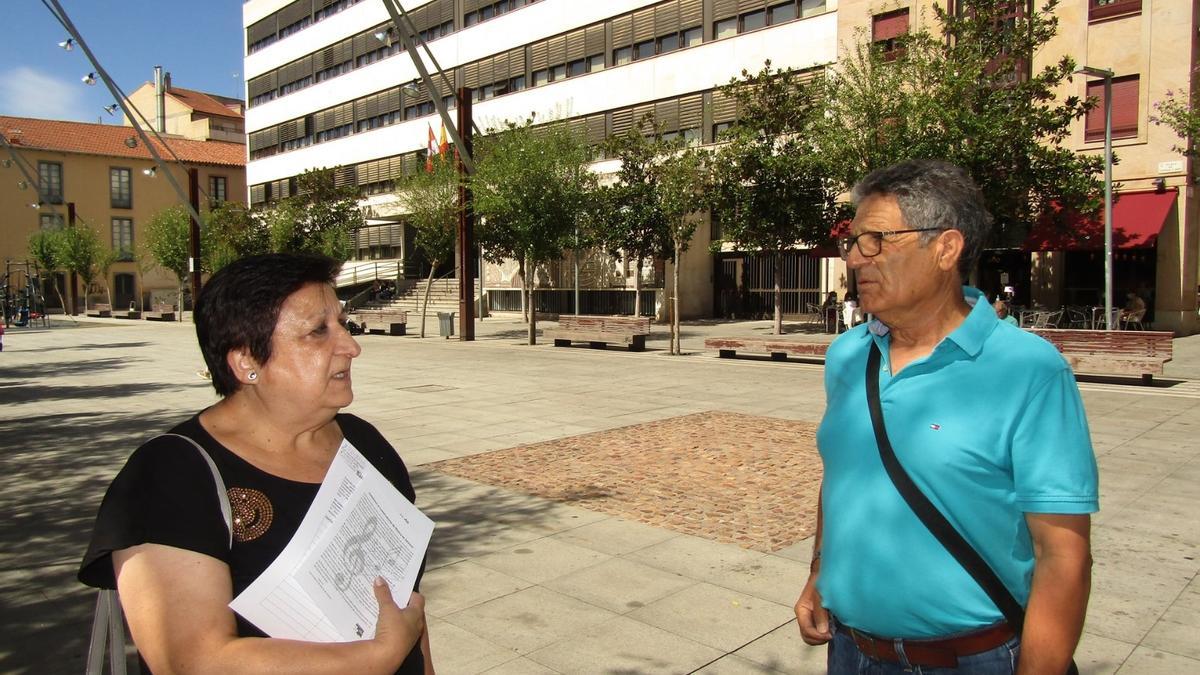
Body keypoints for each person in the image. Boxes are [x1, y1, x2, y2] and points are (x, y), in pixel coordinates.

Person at [796, 160, 1097, 674]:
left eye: (875, 240)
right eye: (852, 241)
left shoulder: (1028, 370)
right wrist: (819, 573)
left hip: (971, 659)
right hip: (851, 651)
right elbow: (843, 476)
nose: (853, 257)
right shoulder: (847, 356)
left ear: (945, 248)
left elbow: (1063, 556)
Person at [79, 253, 433, 674]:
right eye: (319, 331)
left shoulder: (365, 444)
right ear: (247, 362)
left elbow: (406, 606)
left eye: (342, 323)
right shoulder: (169, 476)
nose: (351, 346)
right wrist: (376, 658)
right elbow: (192, 661)